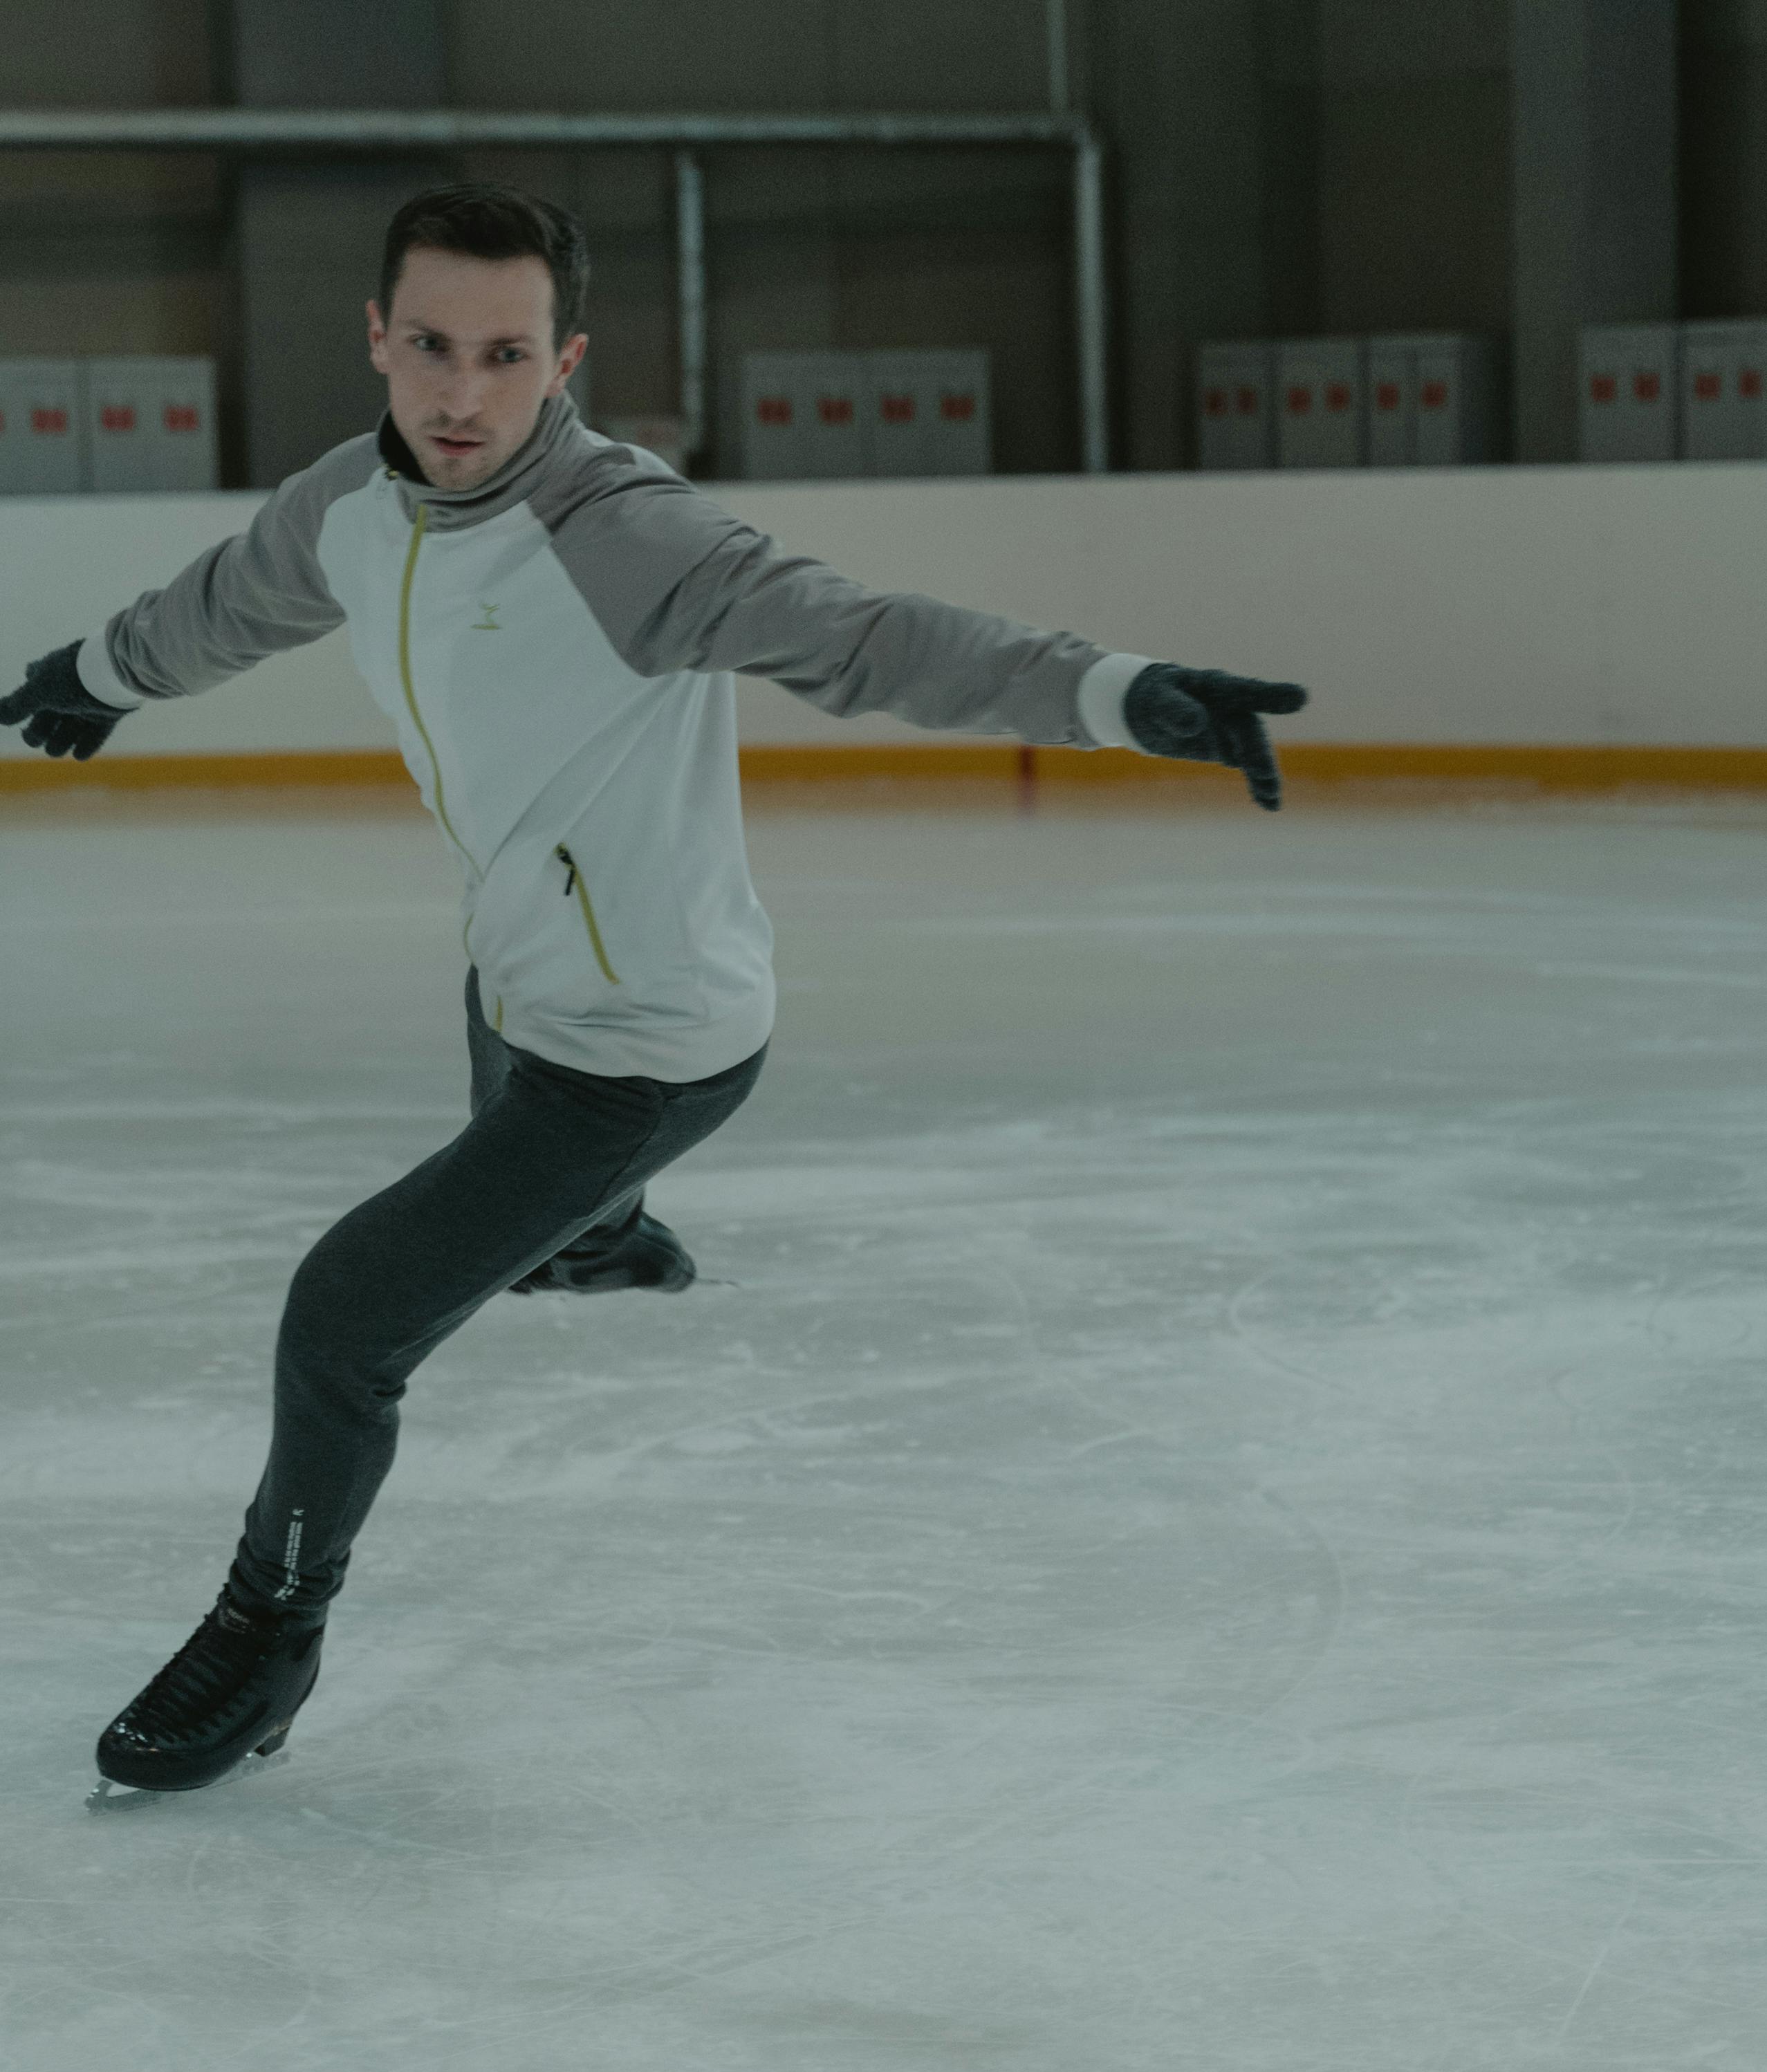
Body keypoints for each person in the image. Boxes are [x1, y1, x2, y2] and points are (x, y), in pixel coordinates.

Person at [0, 183, 1308, 1802]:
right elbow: (232, 599)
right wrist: (102, 674)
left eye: (506, 353)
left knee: (343, 1319)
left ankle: (269, 1631)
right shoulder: (351, 500)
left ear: (567, 358)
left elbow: (868, 637)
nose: (463, 393)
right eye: (429, 346)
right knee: (509, 1075)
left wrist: (1117, 695)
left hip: (647, 1046)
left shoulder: (628, 536)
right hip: (518, 969)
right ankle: (603, 1233)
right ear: (376, 338)